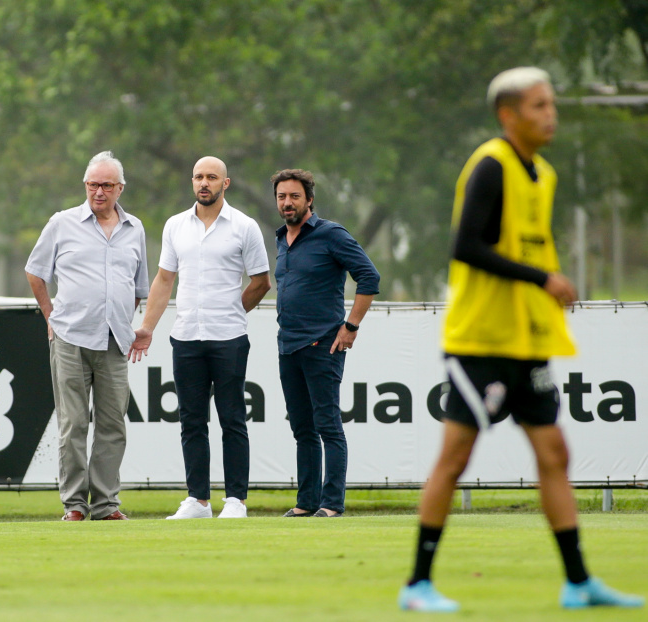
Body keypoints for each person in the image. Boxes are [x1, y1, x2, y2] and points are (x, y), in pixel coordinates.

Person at [399, 67, 644, 612]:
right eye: (538, 105)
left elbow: (526, 249)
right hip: (482, 340)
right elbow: (466, 247)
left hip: (525, 342)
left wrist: (545, 294)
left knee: (554, 452)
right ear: (508, 115)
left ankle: (579, 582)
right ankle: (417, 583)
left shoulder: (545, 175)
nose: (549, 114)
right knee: (455, 458)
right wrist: (543, 280)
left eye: (551, 104)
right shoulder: (491, 165)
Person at [129, 156, 271, 519]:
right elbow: (164, 280)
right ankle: (198, 500)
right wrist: (147, 326)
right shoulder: (176, 225)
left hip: (229, 338)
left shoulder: (244, 226)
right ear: (192, 182)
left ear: (226, 183)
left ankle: (236, 499)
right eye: (198, 177)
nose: (203, 183)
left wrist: (233, 311)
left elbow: (260, 282)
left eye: (211, 177)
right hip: (187, 336)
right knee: (191, 419)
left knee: (232, 418)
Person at [25, 151, 149, 522]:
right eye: (93, 184)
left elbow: (139, 286)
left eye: (106, 185)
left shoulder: (135, 229)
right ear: (85, 185)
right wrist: (51, 316)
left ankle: (106, 504)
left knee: (113, 424)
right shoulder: (62, 223)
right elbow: (35, 272)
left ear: (120, 188)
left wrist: (124, 318)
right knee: (74, 423)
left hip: (114, 341)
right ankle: (75, 505)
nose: (99, 191)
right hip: (71, 336)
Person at [272, 168, 380, 519]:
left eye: (294, 196)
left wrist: (351, 325)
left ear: (309, 199)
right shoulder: (279, 239)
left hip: (323, 345)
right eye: (282, 197)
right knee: (302, 428)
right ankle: (306, 502)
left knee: (327, 425)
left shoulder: (330, 234)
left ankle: (331, 503)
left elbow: (369, 276)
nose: (287, 203)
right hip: (288, 346)